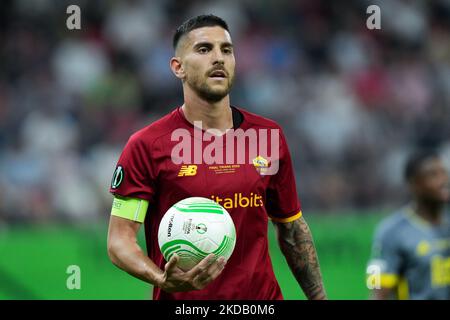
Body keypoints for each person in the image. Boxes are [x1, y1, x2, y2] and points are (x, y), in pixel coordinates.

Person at [107, 14, 326, 300]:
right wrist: (162, 279)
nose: (218, 58)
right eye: (204, 49)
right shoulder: (148, 145)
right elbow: (119, 241)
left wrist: (319, 298)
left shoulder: (267, 136)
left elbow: (291, 228)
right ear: (178, 67)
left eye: (226, 50)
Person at [368, 149, 450, 299]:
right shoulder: (391, 231)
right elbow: (375, 286)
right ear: (414, 184)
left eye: (444, 173)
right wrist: (374, 287)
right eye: (433, 175)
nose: (443, 180)